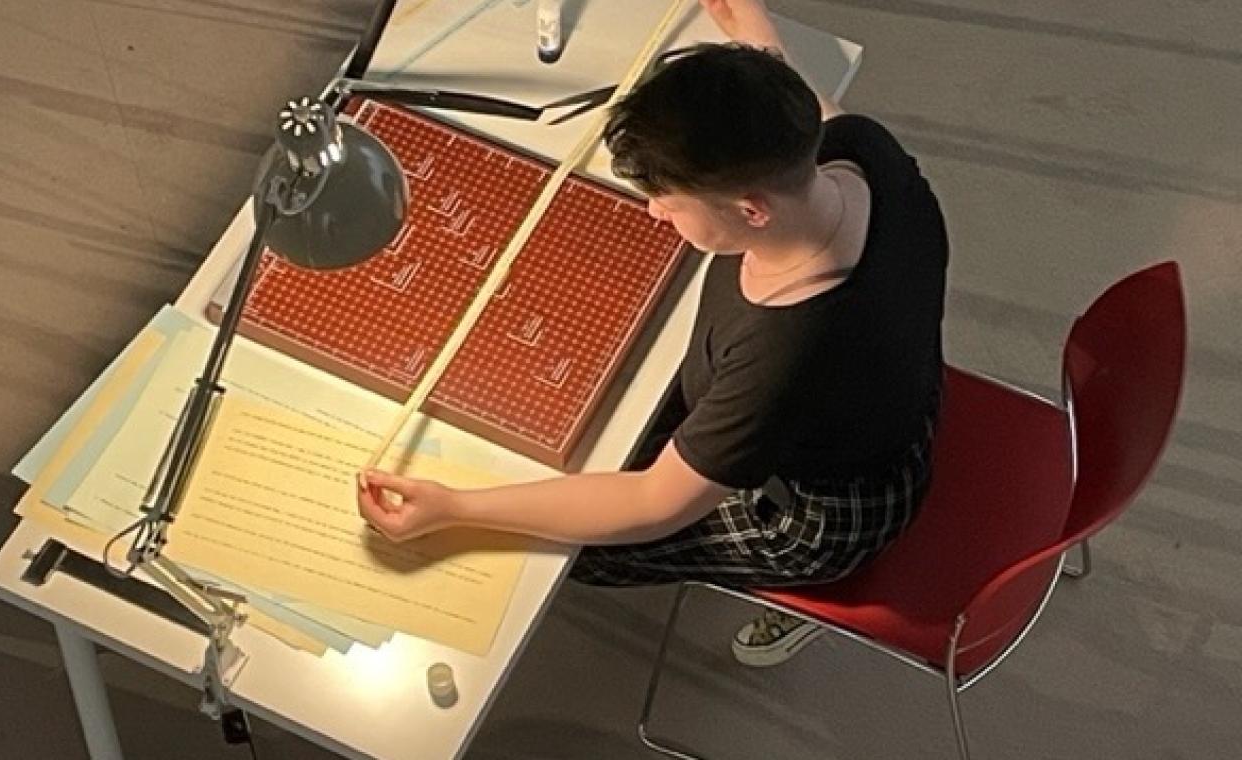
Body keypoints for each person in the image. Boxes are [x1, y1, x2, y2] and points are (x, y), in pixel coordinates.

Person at [357, 0, 948, 667]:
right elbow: (798, 113)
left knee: (564, 556)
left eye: (670, 197)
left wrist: (457, 507)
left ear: (752, 210)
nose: (655, 212)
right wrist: (752, 33)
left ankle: (803, 595)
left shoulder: (786, 353)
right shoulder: (863, 155)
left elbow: (652, 503)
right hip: (887, 407)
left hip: (817, 515)